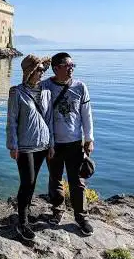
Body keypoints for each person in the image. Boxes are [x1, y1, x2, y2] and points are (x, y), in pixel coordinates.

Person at [43, 52, 95, 236]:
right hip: (53, 143)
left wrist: (89, 139)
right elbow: (42, 116)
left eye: (73, 65)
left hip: (75, 143)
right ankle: (57, 211)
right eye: (68, 65)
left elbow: (86, 114)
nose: (72, 68)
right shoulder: (45, 87)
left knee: (77, 181)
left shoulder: (80, 87)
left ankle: (81, 216)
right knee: (55, 179)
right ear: (56, 68)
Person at [6, 54, 54, 241]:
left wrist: (51, 144)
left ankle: (25, 213)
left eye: (43, 69)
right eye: (39, 69)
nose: (42, 72)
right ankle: (22, 222)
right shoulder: (16, 92)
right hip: (25, 146)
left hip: (42, 144)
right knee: (27, 182)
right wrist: (12, 145)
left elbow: (49, 120)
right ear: (30, 71)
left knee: (32, 183)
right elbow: (11, 121)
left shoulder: (46, 92)